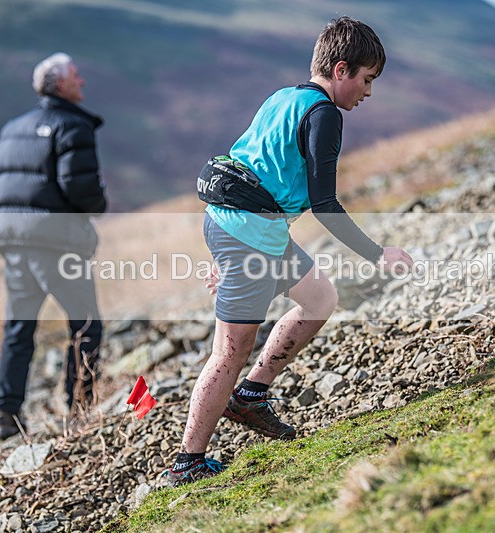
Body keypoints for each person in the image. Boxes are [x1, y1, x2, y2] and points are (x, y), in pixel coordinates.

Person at [161, 16, 413, 486]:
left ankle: (252, 395)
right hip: (249, 235)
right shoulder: (324, 116)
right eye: (366, 79)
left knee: (319, 299)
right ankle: (187, 463)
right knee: (228, 352)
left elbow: (253, 165)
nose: (368, 92)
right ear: (341, 70)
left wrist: (225, 253)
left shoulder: (284, 96)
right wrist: (378, 254)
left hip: (237, 226)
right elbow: (326, 204)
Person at [0, 52, 107, 439]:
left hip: (13, 240)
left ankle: (6, 415)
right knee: (86, 324)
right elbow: (81, 188)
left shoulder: (12, 128)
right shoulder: (72, 126)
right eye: (76, 76)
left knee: (19, 327)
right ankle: (79, 411)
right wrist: (98, 203)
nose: (83, 82)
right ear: (61, 84)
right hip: (55, 242)